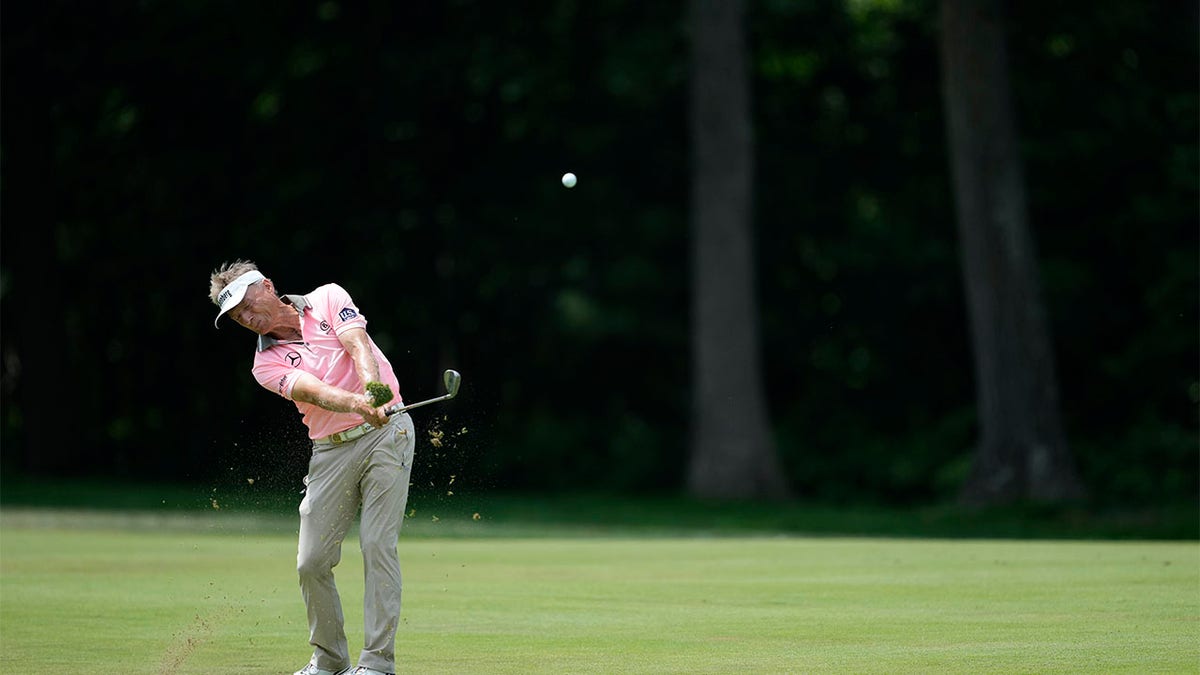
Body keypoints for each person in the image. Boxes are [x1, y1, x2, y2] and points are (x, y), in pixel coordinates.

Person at [209, 259, 414, 675]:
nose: (247, 318)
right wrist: (356, 403)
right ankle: (329, 660)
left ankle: (376, 664)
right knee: (311, 561)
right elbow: (314, 391)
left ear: (267, 286)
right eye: (237, 317)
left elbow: (357, 343)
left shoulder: (327, 297)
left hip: (387, 432)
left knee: (376, 545)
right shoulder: (264, 365)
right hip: (331, 450)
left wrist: (373, 393)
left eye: (248, 305)